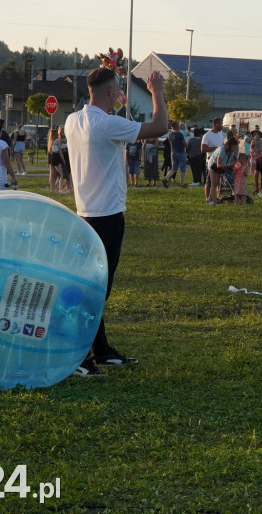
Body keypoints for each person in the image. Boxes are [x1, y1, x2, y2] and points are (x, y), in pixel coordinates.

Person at [65, 67, 169, 376]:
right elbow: (160, 126)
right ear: (111, 92)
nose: (120, 94)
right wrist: (157, 92)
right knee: (98, 291)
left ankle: (101, 350)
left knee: (93, 284)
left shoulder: (73, 120)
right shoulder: (107, 123)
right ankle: (79, 358)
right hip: (107, 218)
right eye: (119, 90)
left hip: (84, 214)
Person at [207, 137, 239, 205]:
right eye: (233, 147)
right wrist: (229, 165)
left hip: (222, 165)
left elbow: (234, 160)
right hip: (213, 165)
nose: (234, 149)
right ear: (229, 146)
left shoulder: (233, 152)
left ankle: (210, 199)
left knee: (217, 182)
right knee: (214, 183)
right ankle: (214, 202)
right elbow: (218, 165)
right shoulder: (222, 150)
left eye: (235, 147)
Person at [201, 118, 226, 203]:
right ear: (216, 124)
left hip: (219, 161)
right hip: (210, 161)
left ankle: (215, 197)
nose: (222, 126)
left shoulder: (220, 135)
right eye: (220, 124)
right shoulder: (207, 135)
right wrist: (215, 149)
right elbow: (203, 149)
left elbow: (223, 146)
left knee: (217, 181)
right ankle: (208, 198)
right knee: (209, 181)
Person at [166, 122, 188, 186]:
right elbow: (184, 144)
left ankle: (166, 178)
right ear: (177, 127)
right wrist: (186, 144)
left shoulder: (170, 134)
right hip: (180, 152)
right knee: (182, 168)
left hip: (173, 152)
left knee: (174, 168)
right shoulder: (179, 134)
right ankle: (181, 183)